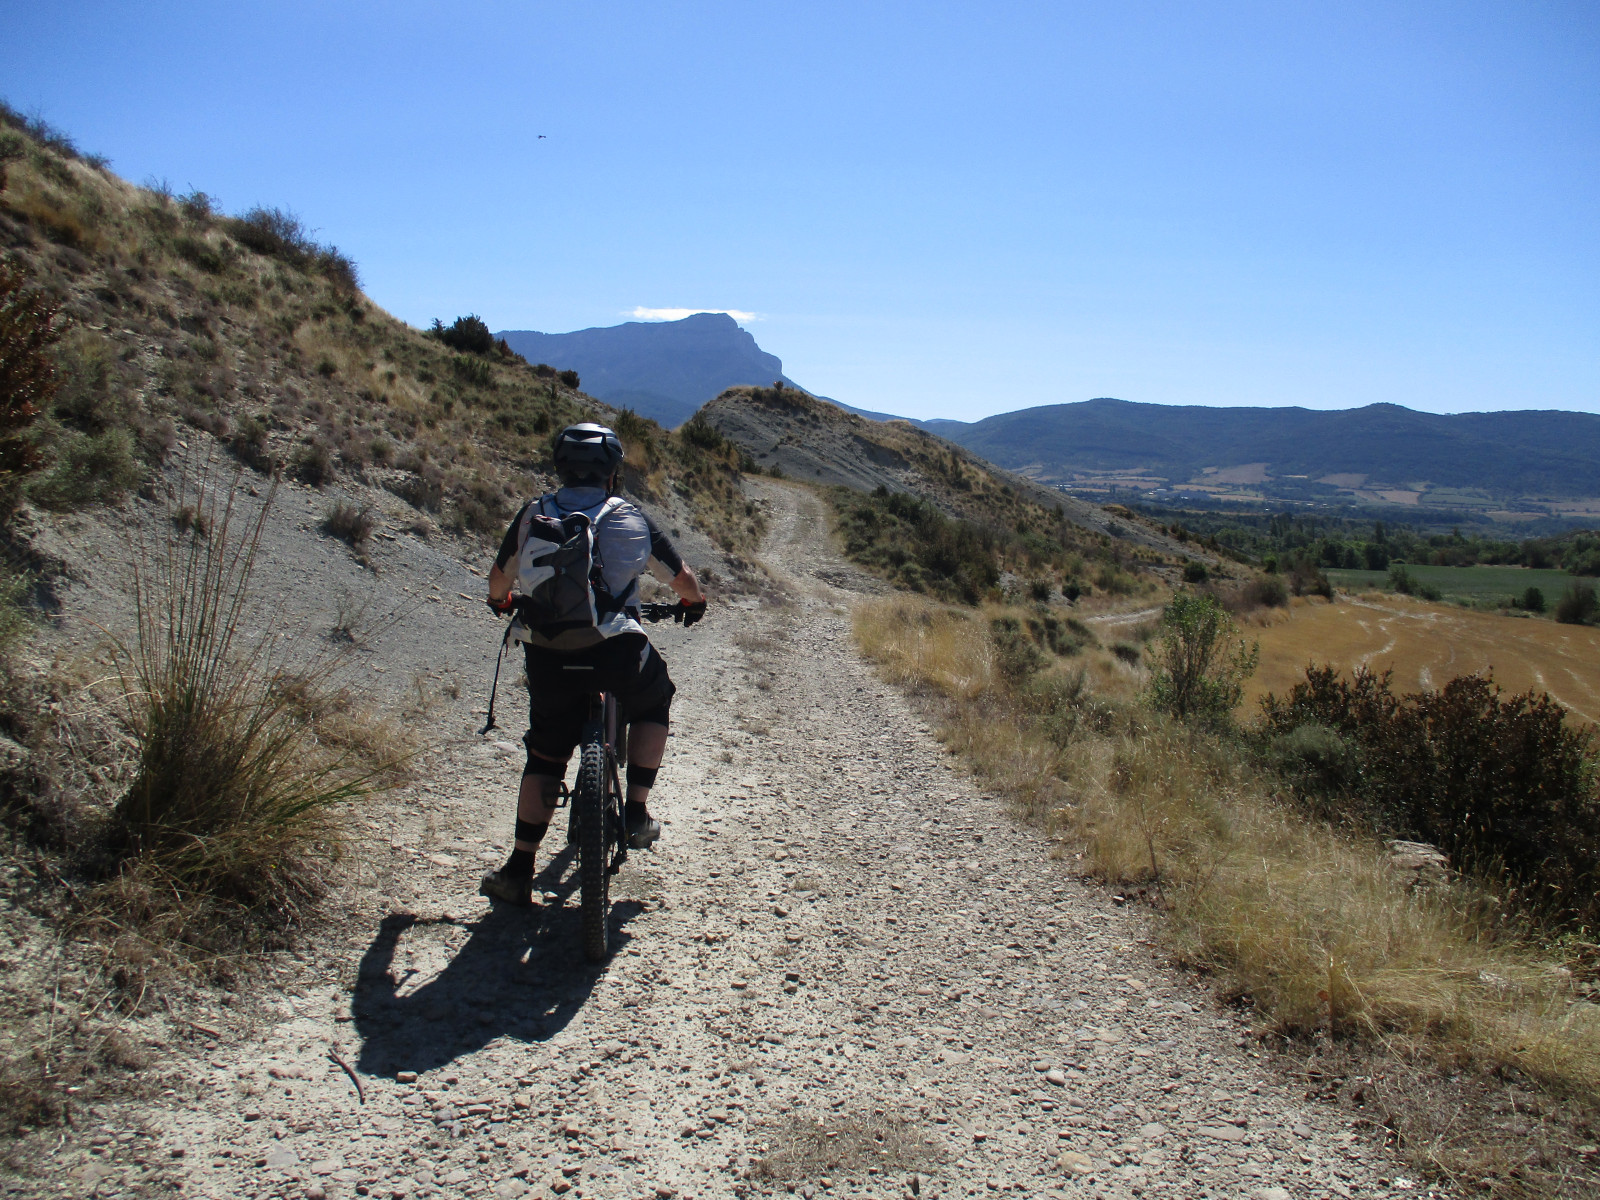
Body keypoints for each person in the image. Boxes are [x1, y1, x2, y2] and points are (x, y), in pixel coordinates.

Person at [479, 423, 706, 906]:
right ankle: (638, 813)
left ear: (561, 466)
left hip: (548, 650)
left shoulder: (534, 513)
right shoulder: (631, 518)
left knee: (544, 753)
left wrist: (503, 603)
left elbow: (499, 582)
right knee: (655, 698)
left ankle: (519, 869)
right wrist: (693, 604)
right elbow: (683, 581)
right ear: (612, 471)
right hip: (614, 648)